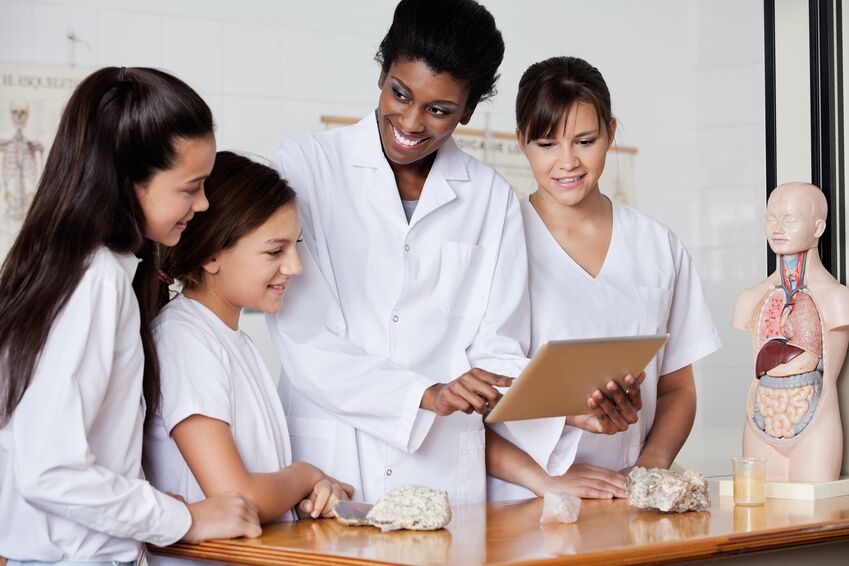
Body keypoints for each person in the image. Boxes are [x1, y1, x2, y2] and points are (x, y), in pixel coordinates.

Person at [267, 0, 637, 506]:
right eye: (401, 93)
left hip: (442, 468)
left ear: (467, 110)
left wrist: (563, 408)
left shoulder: (489, 197)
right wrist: (424, 395)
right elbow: (304, 336)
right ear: (382, 74)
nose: (412, 122)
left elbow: (499, 349)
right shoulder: (307, 166)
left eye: (439, 110)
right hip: (331, 458)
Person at [0, 67, 260, 566]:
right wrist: (188, 520)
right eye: (191, 188)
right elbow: (49, 470)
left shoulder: (80, 268)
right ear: (128, 181)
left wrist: (158, 510)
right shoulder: (94, 279)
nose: (203, 204)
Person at [487, 56, 721, 501]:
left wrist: (648, 473)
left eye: (585, 140)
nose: (567, 162)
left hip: (628, 497)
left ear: (611, 132)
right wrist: (550, 482)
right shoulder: (497, 243)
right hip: (523, 500)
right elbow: (469, 405)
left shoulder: (657, 246)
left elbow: (677, 387)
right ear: (521, 142)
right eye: (546, 144)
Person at [144, 152, 353, 560]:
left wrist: (314, 491)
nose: (295, 267)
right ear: (211, 255)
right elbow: (237, 497)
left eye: (295, 247)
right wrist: (306, 474)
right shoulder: (183, 339)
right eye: (275, 252)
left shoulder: (232, 340)